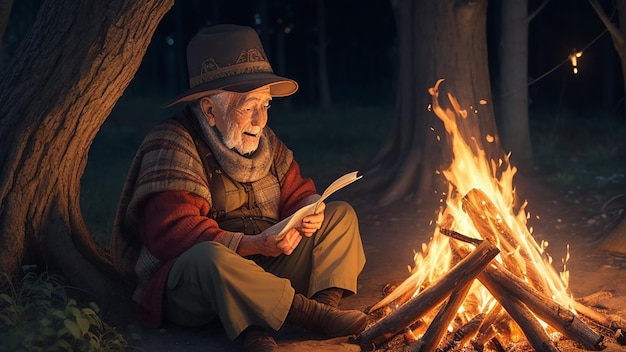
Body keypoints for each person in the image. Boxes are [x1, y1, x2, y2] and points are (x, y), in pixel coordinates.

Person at [111, 24, 367, 352]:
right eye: (249, 106)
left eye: (266, 105)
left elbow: (298, 191)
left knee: (340, 215)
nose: (261, 120)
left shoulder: (268, 143)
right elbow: (172, 234)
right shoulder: (172, 143)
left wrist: (310, 209)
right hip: (197, 287)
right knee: (209, 257)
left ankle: (324, 306)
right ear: (209, 110)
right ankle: (294, 319)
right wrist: (252, 244)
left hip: (265, 263)